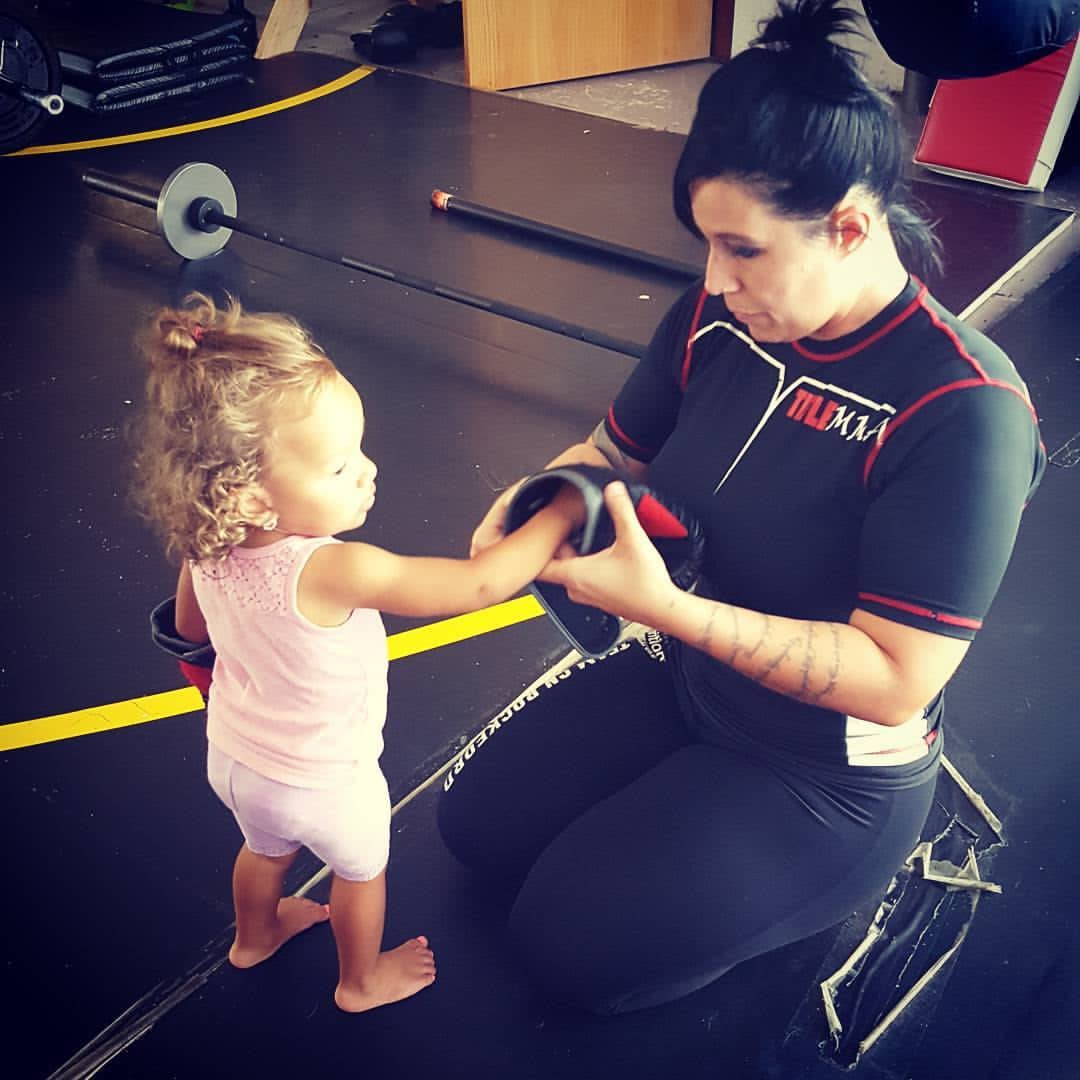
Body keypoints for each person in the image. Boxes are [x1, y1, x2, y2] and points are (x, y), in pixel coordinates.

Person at [436, 0, 1047, 1016]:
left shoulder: (965, 411)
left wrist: (667, 608)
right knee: (475, 830)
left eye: (744, 250)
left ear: (850, 226)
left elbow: (895, 680)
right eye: (705, 246)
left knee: (567, 946)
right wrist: (535, 513)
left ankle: (835, 881)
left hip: (825, 777)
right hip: (693, 687)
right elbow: (606, 454)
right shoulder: (713, 320)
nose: (715, 282)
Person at [130, 292, 582, 1013]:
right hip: (327, 781)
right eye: (340, 468)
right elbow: (480, 582)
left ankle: (255, 936)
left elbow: (193, 632)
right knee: (361, 872)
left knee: (264, 851)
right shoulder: (335, 571)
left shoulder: (204, 542)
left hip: (236, 758)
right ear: (252, 499)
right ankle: (360, 981)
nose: (367, 471)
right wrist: (563, 507)